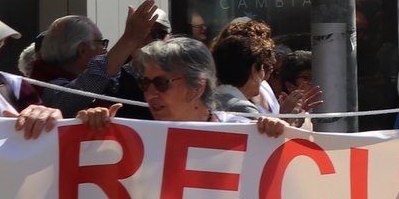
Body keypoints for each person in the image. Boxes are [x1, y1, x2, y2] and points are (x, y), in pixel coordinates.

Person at [72, 37, 291, 135]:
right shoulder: (133, 136)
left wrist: (276, 138)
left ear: (197, 86)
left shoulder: (245, 132)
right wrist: (91, 134)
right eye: (144, 83)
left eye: (161, 83)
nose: (150, 93)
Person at [33, 0, 162, 116]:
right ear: (82, 50)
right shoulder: (44, 86)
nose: (105, 49)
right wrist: (129, 39)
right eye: (101, 43)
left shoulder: (110, 79)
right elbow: (84, 89)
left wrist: (135, 50)